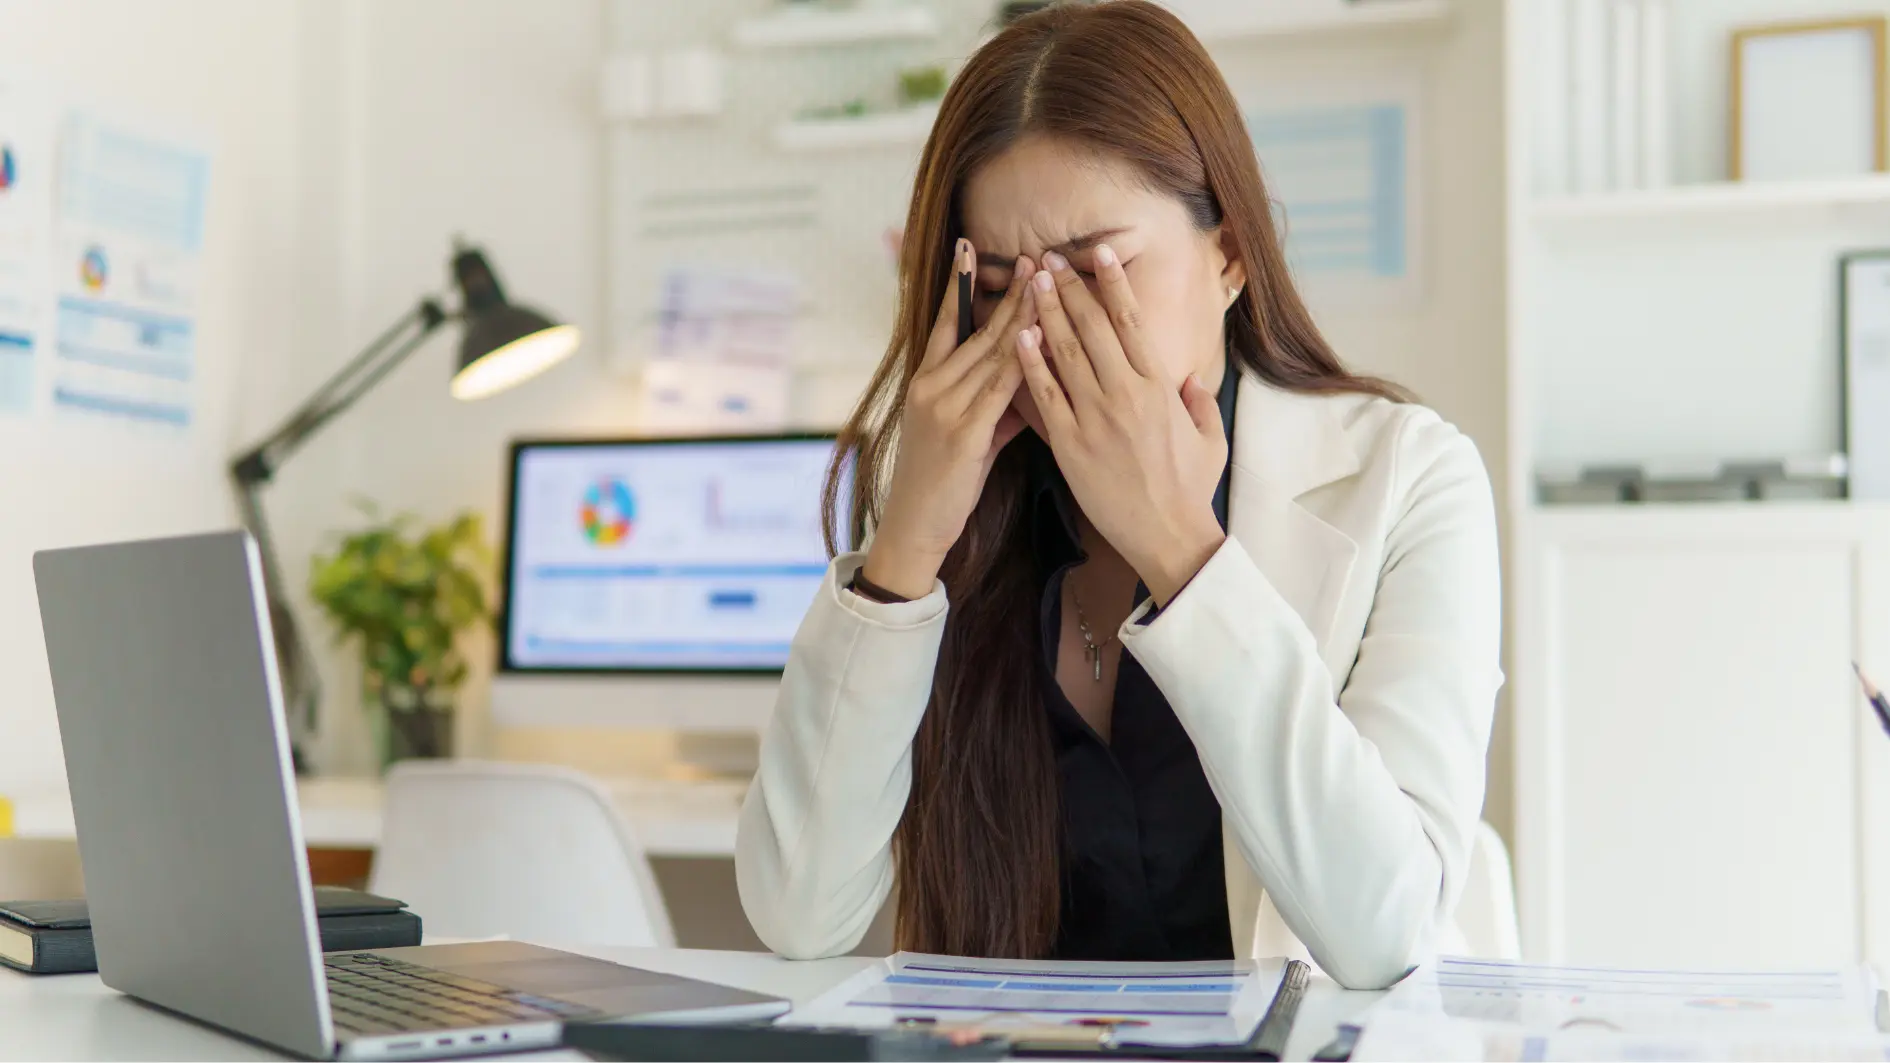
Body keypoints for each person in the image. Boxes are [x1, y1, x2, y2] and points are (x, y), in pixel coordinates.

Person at [734, 0, 1501, 990]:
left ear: (1229, 255)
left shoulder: (1411, 476)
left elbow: (1385, 928)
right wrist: (905, 552)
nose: (1044, 326)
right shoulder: (959, 507)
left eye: (1097, 269)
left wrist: (1184, 551)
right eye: (1002, 282)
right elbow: (799, 917)